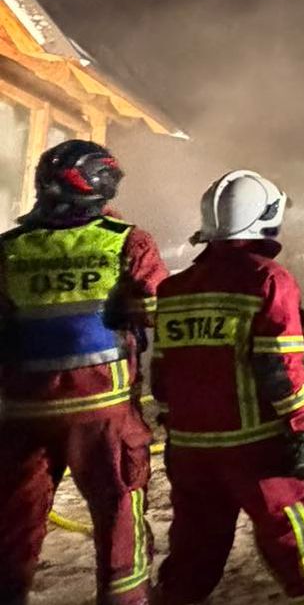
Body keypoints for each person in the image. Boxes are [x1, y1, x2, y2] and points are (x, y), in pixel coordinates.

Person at [152, 170, 304, 604]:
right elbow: (280, 369)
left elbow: (162, 377)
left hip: (189, 451)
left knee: (191, 557)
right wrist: (303, 431)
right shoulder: (269, 280)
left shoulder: (173, 289)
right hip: (258, 453)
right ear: (266, 219)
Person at [0, 140, 167, 605]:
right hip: (102, 413)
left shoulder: (9, 249)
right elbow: (159, 311)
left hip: (22, 414)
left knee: (11, 529)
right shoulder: (126, 241)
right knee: (119, 521)